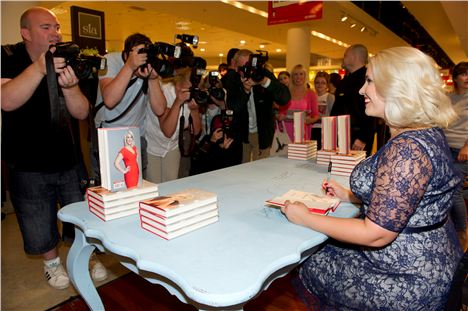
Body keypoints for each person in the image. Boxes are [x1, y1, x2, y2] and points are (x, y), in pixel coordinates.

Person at [282, 46, 463, 310]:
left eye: (369, 81)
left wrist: (304, 217)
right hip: (429, 260)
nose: (361, 90)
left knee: (310, 258)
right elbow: (407, 198)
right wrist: (350, 195)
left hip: (405, 278)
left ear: (396, 88)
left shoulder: (407, 150)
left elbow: (375, 235)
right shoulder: (424, 132)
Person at [1, 7, 106, 289]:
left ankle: (86, 257)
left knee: (81, 214)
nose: (55, 33)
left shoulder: (66, 60)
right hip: (26, 161)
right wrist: (39, 67)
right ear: (26, 33)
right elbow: (6, 100)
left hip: (68, 159)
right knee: (37, 219)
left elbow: (83, 112)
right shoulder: (8, 56)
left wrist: (71, 88)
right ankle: (52, 264)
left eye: (56, 27)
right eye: (46, 27)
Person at [93, 33, 166, 182]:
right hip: (108, 134)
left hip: (136, 136)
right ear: (126, 54)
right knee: (108, 186)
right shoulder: (110, 60)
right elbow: (110, 100)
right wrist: (130, 66)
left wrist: (152, 79)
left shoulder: (148, 68)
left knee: (135, 184)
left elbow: (160, 110)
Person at [224, 49, 291, 163]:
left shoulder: (263, 74)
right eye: (243, 68)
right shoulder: (233, 79)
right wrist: (245, 91)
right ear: (236, 68)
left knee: (260, 170)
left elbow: (284, 98)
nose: (249, 71)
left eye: (250, 66)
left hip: (262, 133)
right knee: (243, 170)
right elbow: (232, 109)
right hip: (242, 135)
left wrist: (264, 81)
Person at [145, 67, 201, 183]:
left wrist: (194, 111)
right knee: (154, 186)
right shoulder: (163, 91)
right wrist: (178, 102)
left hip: (172, 146)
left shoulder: (193, 95)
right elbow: (168, 132)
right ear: (180, 84)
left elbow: (196, 132)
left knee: (170, 185)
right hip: (152, 144)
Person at [330, 44, 376, 156]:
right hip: (341, 136)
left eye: (346, 55)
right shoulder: (346, 80)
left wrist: (363, 138)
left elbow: (373, 111)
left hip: (357, 139)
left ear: (354, 57)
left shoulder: (367, 79)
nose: (343, 58)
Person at [444, 61, 468, 250]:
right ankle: (448, 227)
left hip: (463, 150)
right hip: (446, 147)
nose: (467, 78)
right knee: (445, 187)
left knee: (455, 189)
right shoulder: (448, 97)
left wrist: (467, 146)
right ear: (455, 77)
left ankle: (462, 232)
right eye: (463, 74)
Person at [278, 64, 319, 142]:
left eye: (301, 74)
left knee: (300, 153)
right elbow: (281, 112)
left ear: (305, 76)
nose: (298, 77)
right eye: (295, 74)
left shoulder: (311, 93)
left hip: (302, 131)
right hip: (286, 130)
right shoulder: (286, 92)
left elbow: (316, 115)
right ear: (292, 77)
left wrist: (308, 120)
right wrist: (279, 116)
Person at [311, 71, 335, 149]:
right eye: (317, 82)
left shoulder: (330, 97)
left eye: (323, 83)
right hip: (311, 130)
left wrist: (318, 117)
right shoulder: (311, 97)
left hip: (325, 131)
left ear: (327, 85)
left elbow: (332, 116)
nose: (320, 85)